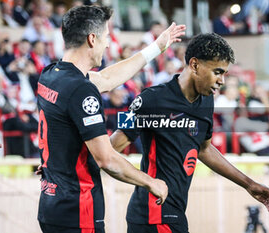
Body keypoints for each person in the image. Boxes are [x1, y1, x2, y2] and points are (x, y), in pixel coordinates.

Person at [110, 33, 269, 233]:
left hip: (175, 214)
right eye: (217, 72)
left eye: (224, 73)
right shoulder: (150, 100)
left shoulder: (206, 101)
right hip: (152, 216)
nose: (222, 81)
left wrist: (248, 184)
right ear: (194, 65)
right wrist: (146, 181)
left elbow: (204, 149)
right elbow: (109, 149)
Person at [37, 5, 185, 233]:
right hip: (78, 210)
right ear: (92, 39)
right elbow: (106, 160)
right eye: (106, 37)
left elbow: (105, 79)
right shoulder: (81, 91)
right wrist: (151, 182)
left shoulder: (50, 75)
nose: (108, 43)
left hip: (50, 205)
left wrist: (156, 47)